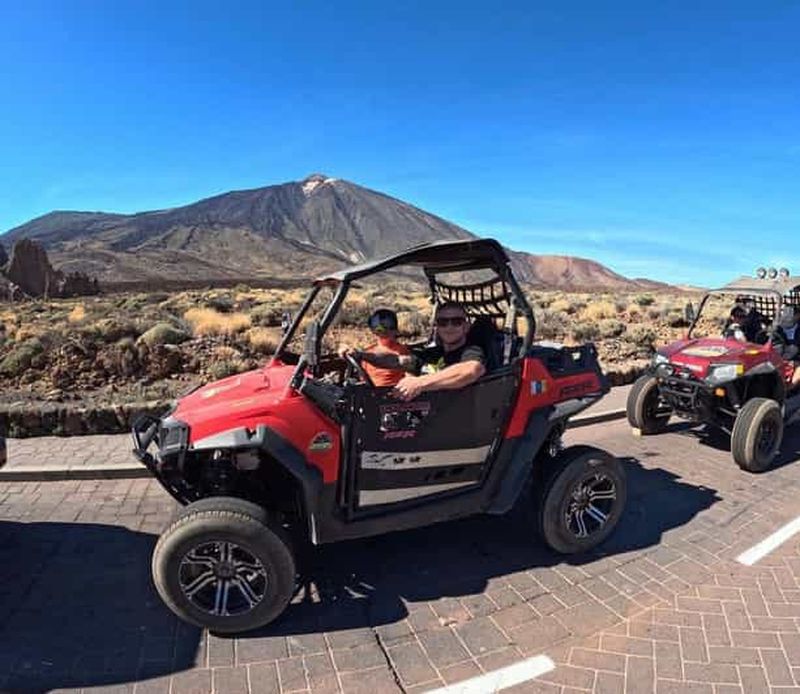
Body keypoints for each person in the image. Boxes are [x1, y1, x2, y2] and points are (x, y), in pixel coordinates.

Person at [354, 302, 486, 401]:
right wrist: (362, 355)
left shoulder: (471, 351)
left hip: (451, 423)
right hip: (419, 417)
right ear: (437, 327)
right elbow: (396, 360)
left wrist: (420, 382)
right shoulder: (430, 354)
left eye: (456, 322)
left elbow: (472, 370)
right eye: (443, 322)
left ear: (466, 326)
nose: (449, 327)